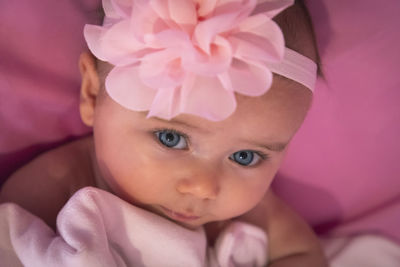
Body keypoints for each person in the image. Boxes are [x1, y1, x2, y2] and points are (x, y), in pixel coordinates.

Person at [0, 0, 327, 266]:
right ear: (93, 94)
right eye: (171, 138)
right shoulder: (54, 186)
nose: (203, 187)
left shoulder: (252, 209)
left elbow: (304, 255)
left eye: (245, 157)